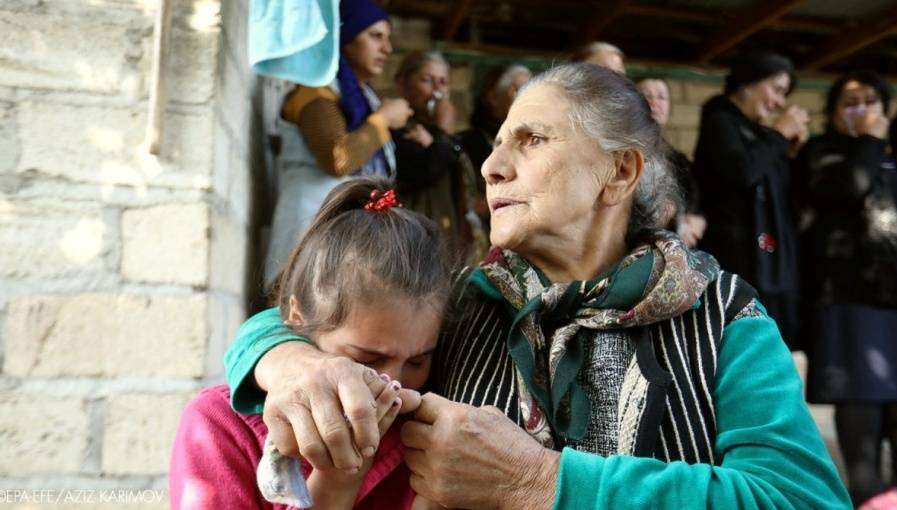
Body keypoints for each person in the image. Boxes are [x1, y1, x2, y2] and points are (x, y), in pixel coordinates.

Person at [224, 64, 849, 508]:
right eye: (497, 144)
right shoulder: (467, 301)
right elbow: (294, 324)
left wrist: (544, 483)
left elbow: (801, 499)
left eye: (532, 141)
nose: (494, 167)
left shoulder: (721, 313)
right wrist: (292, 361)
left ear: (619, 170)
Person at [170, 179, 453, 509]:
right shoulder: (221, 428)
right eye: (369, 359)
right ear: (296, 315)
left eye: (418, 361)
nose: (396, 384)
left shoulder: (430, 435)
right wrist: (334, 485)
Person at [796, 71, 897, 508]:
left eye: (869, 100)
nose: (860, 108)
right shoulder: (821, 154)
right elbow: (852, 185)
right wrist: (869, 142)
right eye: (849, 101)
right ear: (834, 111)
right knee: (861, 433)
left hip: (894, 304)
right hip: (848, 305)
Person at [262, 0, 413, 287]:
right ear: (347, 35)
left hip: (341, 240)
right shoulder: (315, 87)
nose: (387, 49)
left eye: (387, 38)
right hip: (308, 230)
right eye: (375, 36)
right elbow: (338, 159)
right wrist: (382, 121)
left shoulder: (363, 98)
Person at [693, 52, 808, 349]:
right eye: (776, 89)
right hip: (737, 261)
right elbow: (741, 172)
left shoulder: (761, 134)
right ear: (747, 83)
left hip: (769, 262)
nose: (780, 102)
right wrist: (779, 135)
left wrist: (791, 153)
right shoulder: (720, 122)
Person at [391, 50, 488, 262]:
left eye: (443, 82)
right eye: (427, 80)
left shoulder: (444, 135)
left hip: (450, 239)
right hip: (414, 241)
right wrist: (444, 130)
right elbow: (424, 171)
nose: (437, 91)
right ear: (402, 85)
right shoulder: (397, 129)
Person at [458, 63, 532, 230]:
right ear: (492, 97)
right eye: (519, 91)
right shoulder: (467, 143)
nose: (527, 99)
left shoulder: (534, 143)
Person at [636, 76, 706, 247]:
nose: (654, 102)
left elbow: (696, 200)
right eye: (646, 95)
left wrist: (695, 219)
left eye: (661, 97)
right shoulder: (625, 154)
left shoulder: (679, 160)